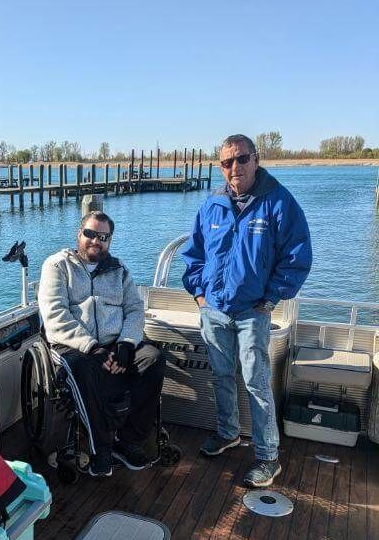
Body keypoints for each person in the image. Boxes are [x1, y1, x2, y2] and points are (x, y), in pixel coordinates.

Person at [182, 134, 312, 488]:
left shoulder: (279, 203)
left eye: (241, 159)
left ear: (256, 159)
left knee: (256, 382)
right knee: (221, 377)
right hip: (214, 310)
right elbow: (194, 255)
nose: (234, 168)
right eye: (226, 163)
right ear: (220, 167)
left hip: (253, 312)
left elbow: (297, 257)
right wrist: (199, 296)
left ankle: (268, 457)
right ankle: (227, 433)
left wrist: (271, 299)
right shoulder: (212, 205)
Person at [38, 210, 165, 477]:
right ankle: (101, 449)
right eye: (90, 234)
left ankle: (128, 441)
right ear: (79, 234)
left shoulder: (119, 270)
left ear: (109, 241)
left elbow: (134, 309)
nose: (96, 240)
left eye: (104, 237)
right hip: (73, 346)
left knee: (153, 358)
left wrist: (126, 345)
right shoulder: (57, 265)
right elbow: (55, 315)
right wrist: (92, 347)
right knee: (83, 368)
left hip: (115, 344)